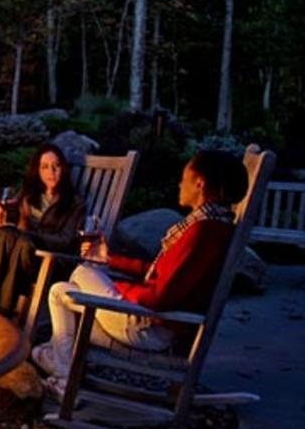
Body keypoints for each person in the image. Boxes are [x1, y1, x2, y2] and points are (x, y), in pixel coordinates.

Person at [32, 149, 249, 390]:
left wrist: (118, 289)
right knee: (60, 291)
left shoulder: (203, 232)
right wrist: (110, 260)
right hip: (151, 321)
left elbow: (159, 296)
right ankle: (62, 373)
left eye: (184, 177)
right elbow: (159, 274)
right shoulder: (211, 225)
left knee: (83, 272)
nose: (180, 183)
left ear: (200, 183)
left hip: (148, 328)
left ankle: (60, 368)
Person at [0, 143, 86, 318]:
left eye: (56, 166)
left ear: (63, 169)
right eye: (45, 167)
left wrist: (30, 236)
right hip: (19, 255)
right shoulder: (28, 195)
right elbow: (7, 224)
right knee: (4, 233)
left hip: (48, 262)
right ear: (38, 171)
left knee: (23, 241)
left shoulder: (74, 203)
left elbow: (67, 240)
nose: (51, 171)